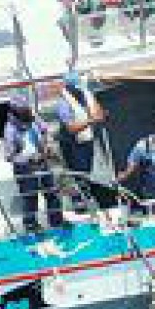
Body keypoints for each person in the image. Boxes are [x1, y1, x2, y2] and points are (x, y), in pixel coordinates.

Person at [3, 94, 65, 233]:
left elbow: (45, 130)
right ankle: (31, 225)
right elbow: (8, 156)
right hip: (26, 167)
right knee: (30, 197)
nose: (27, 111)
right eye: (23, 109)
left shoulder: (33, 117)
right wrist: (23, 155)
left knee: (52, 193)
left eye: (27, 107)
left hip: (43, 162)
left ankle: (57, 221)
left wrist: (47, 143)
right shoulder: (10, 130)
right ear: (15, 111)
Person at [49, 71, 106, 208]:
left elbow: (100, 113)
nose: (79, 90)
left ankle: (89, 199)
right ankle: (80, 204)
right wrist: (91, 120)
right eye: (76, 88)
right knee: (78, 175)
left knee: (88, 172)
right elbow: (71, 128)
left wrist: (95, 115)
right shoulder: (63, 105)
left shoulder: (86, 96)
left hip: (88, 142)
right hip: (74, 145)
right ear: (69, 89)